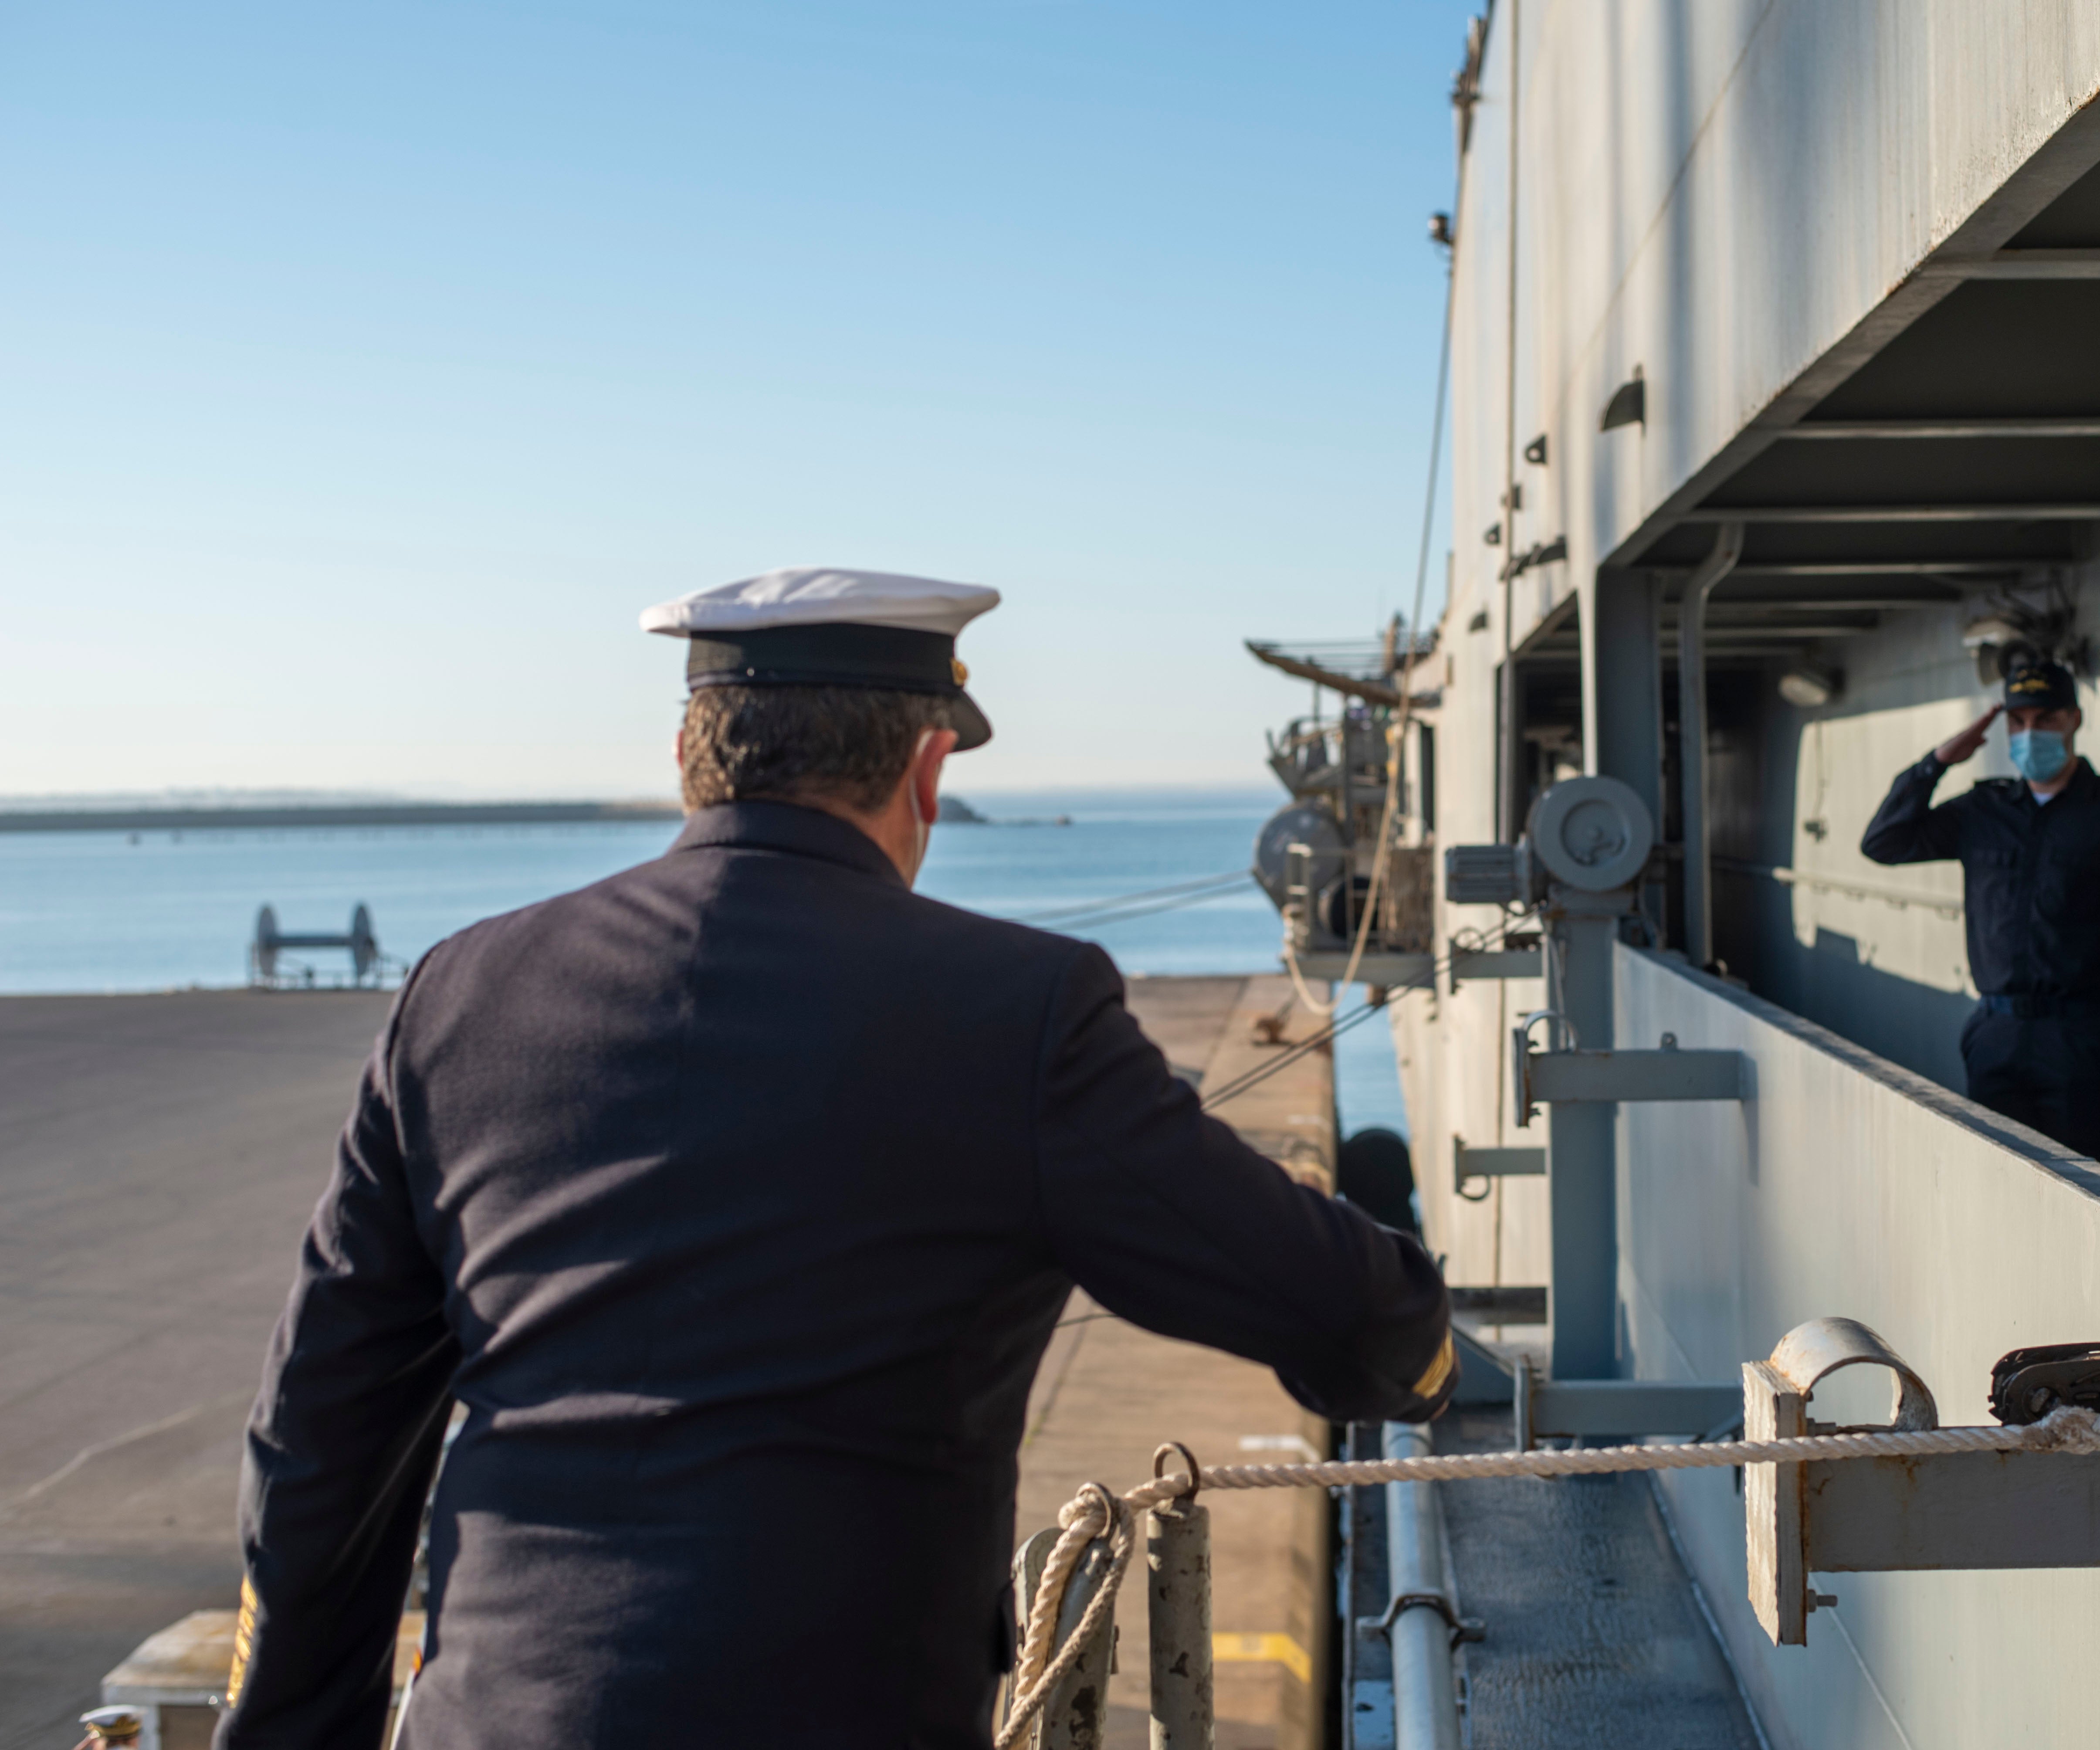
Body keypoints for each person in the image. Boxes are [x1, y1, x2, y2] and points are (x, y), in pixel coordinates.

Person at [214, 569, 1456, 1750]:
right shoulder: (1019, 1010)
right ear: (927, 770)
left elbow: (321, 1436)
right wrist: (1423, 1355)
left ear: (688, 760)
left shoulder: (462, 993)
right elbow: (1330, 1308)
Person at [1860, 657, 2100, 1166]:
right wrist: (1939, 760)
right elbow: (1883, 841)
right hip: (1996, 1036)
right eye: (2017, 723)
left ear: (2074, 720)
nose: (2029, 733)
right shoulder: (1983, 811)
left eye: (2045, 720)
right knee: (1995, 1184)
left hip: (2079, 1041)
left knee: (2087, 1195)